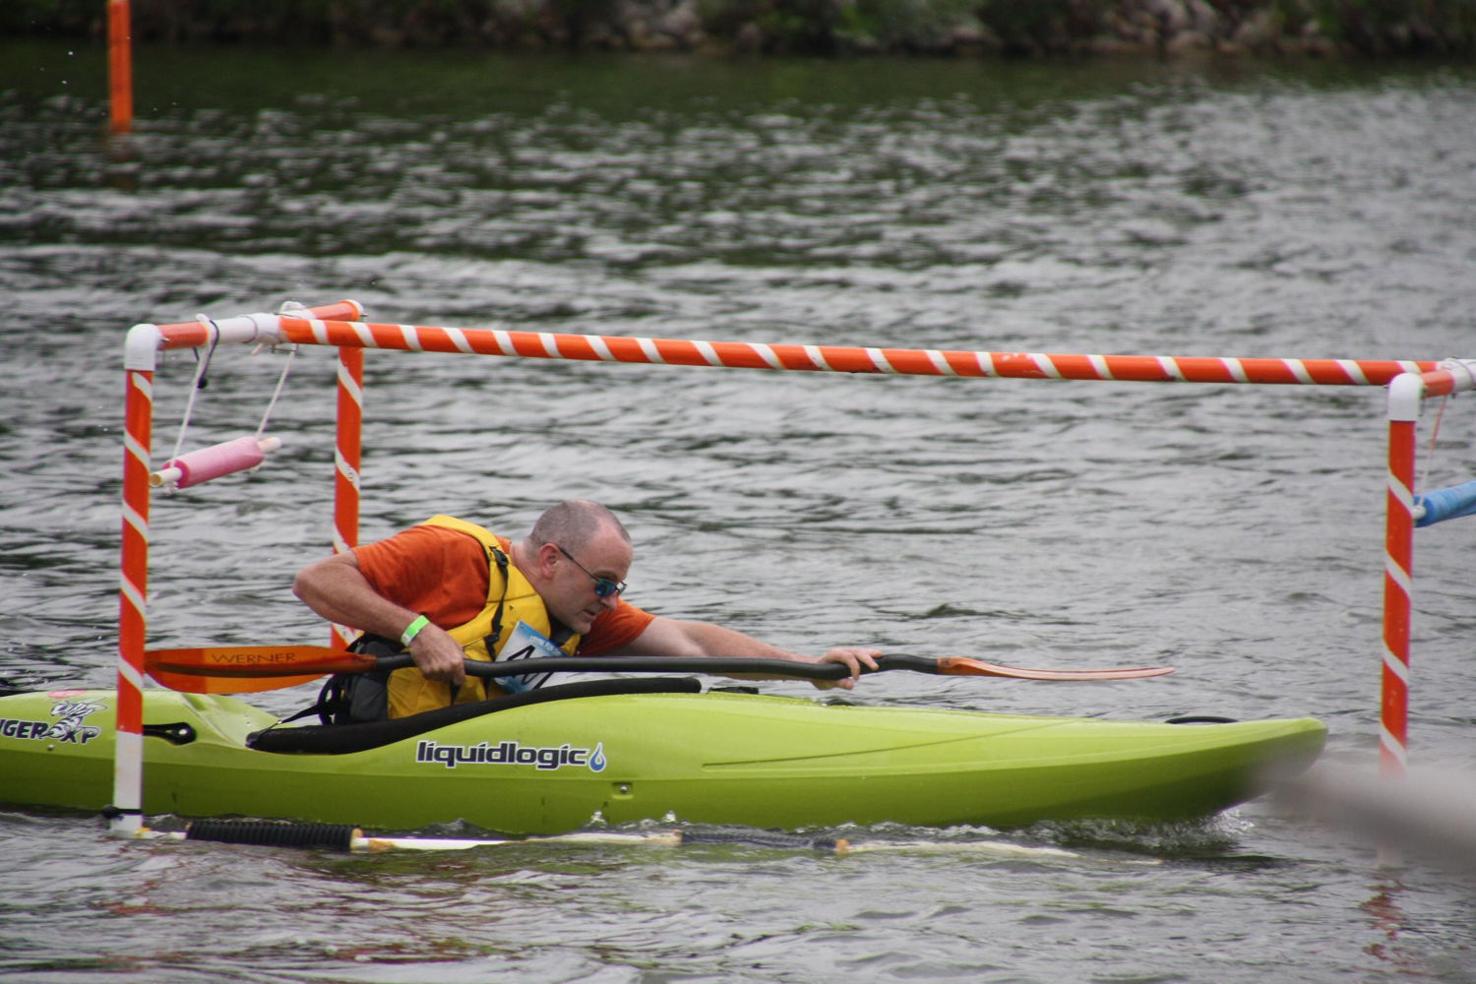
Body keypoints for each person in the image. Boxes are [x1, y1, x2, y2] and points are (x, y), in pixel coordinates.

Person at [293, 500, 880, 720]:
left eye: (617, 587)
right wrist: (418, 630)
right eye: (603, 584)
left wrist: (810, 668)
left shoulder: (584, 613)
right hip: (368, 742)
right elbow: (317, 581)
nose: (611, 600)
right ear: (551, 559)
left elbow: (694, 644)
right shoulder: (452, 554)